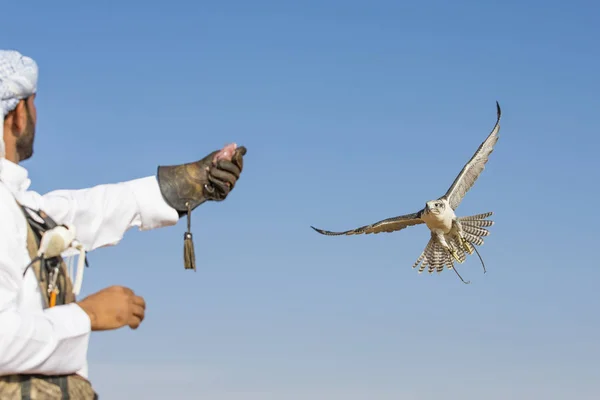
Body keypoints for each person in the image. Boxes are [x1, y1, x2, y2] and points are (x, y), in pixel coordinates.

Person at [0, 49, 247, 399]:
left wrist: (187, 185)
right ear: (19, 114)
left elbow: (78, 211)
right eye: (34, 103)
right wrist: (85, 316)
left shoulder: (17, 203)